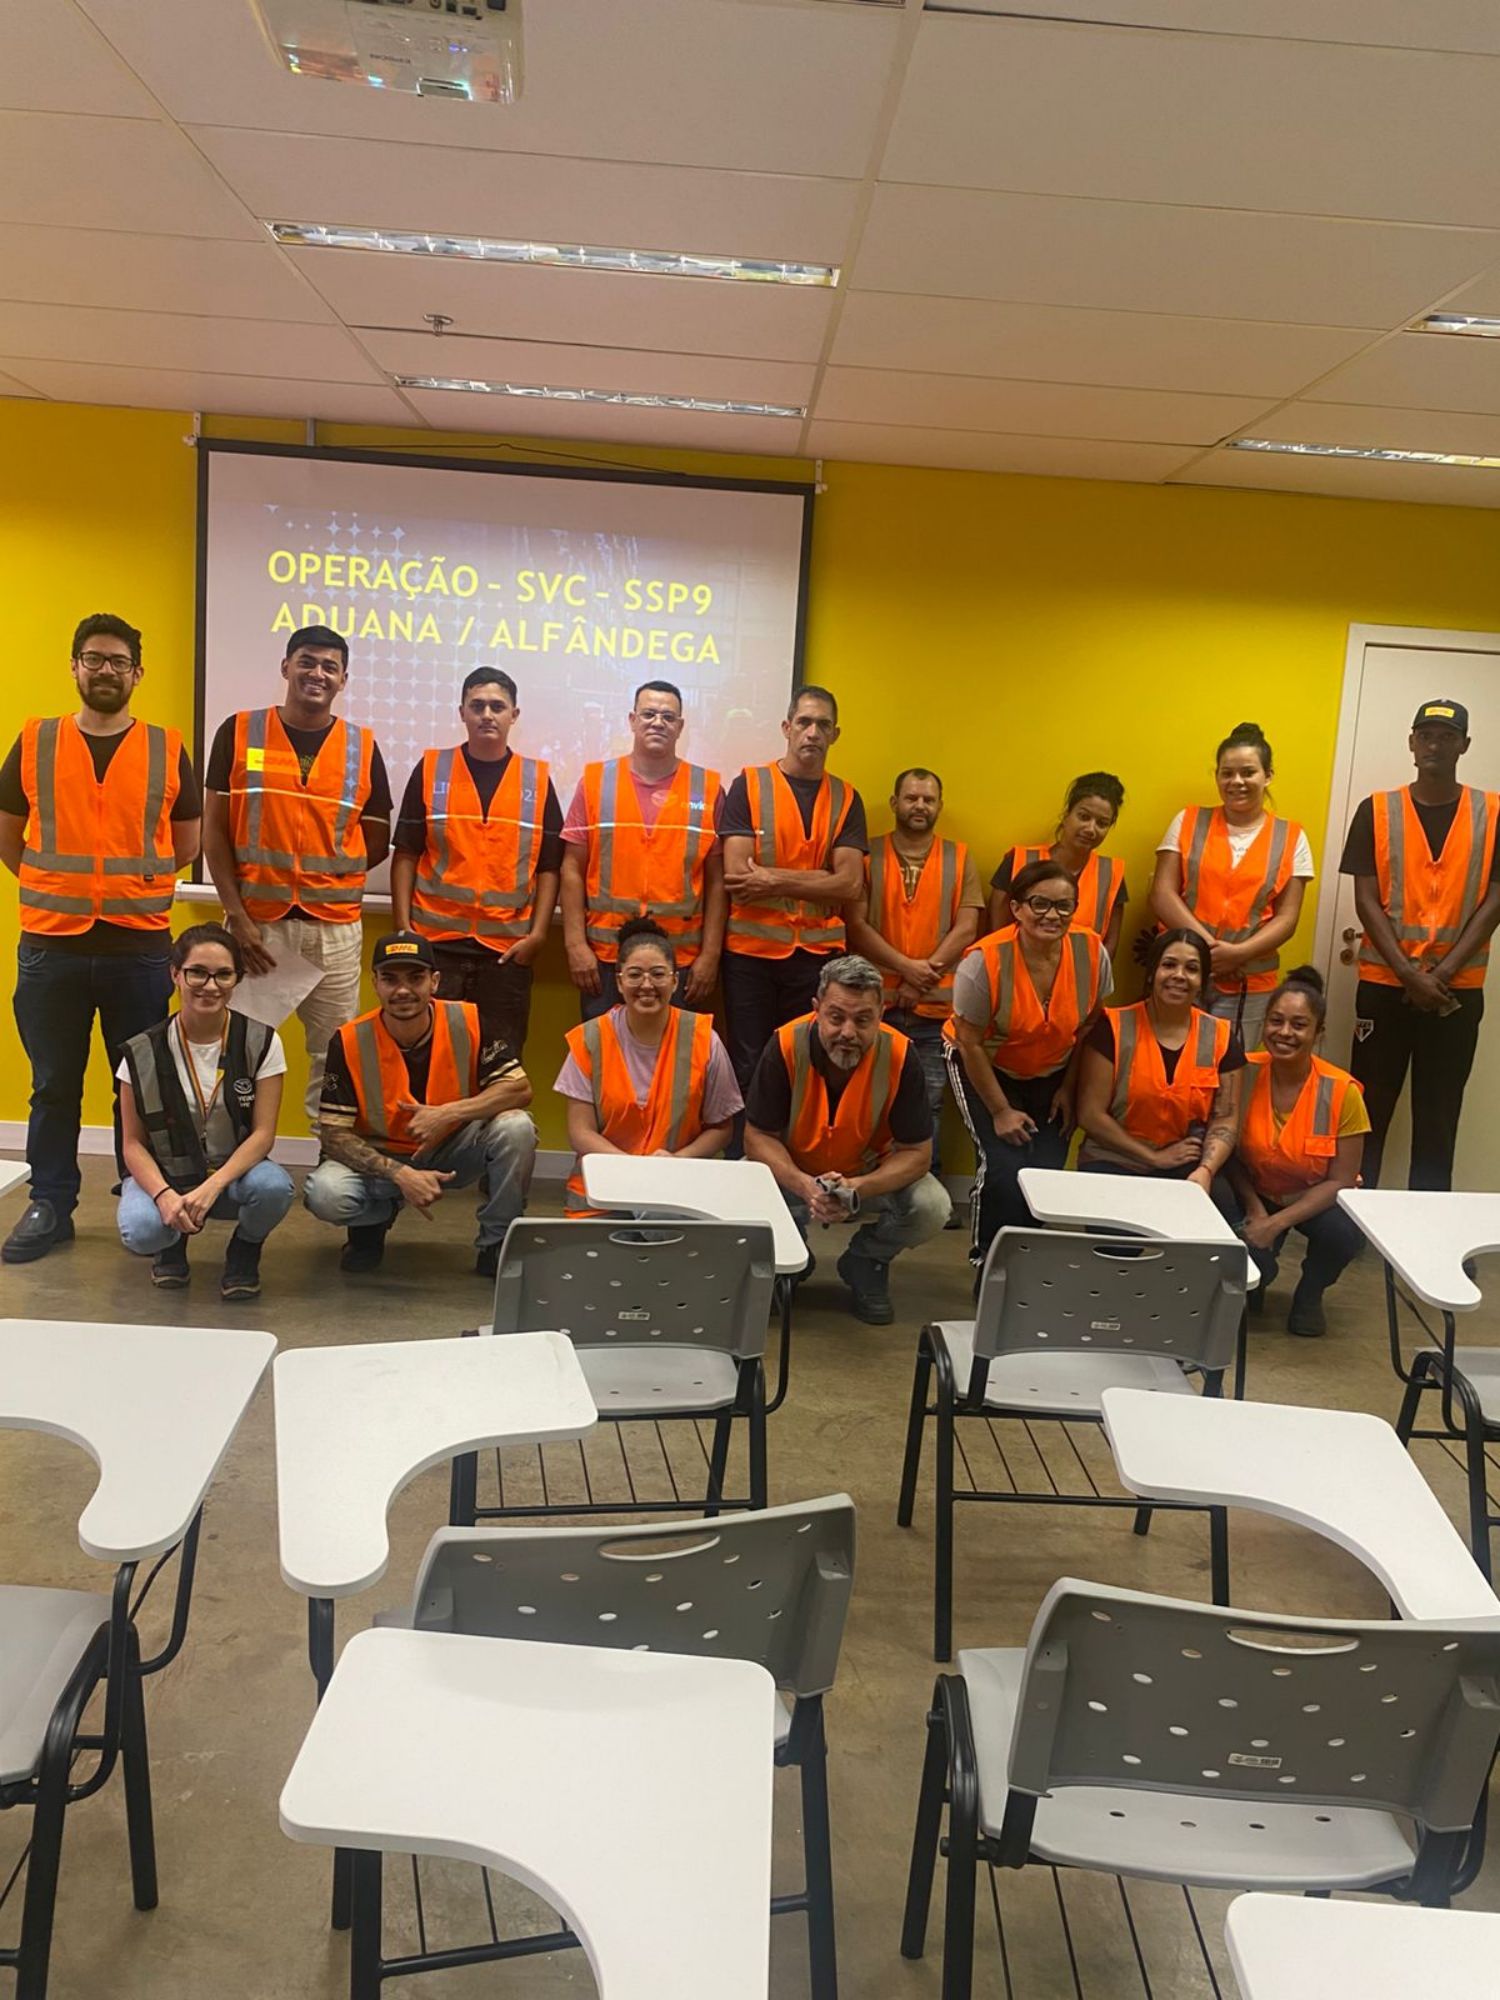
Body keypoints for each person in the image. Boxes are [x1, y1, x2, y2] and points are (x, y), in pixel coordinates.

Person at [0, 613, 202, 1264]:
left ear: (137, 673)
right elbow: (8, 834)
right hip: (51, 945)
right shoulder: (36, 740)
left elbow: (187, 844)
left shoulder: (167, 747)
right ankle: (50, 1203)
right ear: (75, 666)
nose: (105, 669)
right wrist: (59, 885)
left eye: (118, 661)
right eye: (94, 658)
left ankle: (138, 1197)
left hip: (136, 948)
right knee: (53, 1086)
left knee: (138, 1086)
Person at [202, 625, 391, 1128]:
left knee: (335, 1057)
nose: (317, 674)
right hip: (259, 927)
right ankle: (230, 1155)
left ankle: (332, 1157)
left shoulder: (361, 746)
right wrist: (237, 919)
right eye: (307, 661)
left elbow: (376, 838)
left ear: (343, 679)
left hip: (334, 930)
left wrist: (330, 873)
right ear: (286, 666)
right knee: (239, 1051)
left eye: (330, 667)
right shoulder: (239, 731)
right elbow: (214, 834)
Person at [303, 931, 537, 1278]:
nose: (403, 990)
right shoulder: (348, 1040)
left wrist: (447, 1114)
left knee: (517, 1127)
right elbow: (333, 1135)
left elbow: (519, 1089)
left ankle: (497, 1242)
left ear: (435, 981)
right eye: (390, 979)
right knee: (325, 1194)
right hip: (381, 1158)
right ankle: (373, 1223)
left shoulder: (470, 1021)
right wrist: (400, 1175)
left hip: (453, 1150)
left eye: (415, 978)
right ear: (375, 983)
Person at [1340, 698, 1500, 1191]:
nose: (1435, 745)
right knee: (1367, 1115)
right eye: (1426, 735)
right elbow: (1365, 900)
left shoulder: (1494, 812)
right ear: (1411, 742)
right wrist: (1410, 975)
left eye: (1447, 737)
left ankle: (1426, 1226)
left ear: (1464, 745)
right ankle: (1352, 1220)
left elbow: (1496, 900)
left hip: (1455, 995)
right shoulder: (1376, 809)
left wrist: (1440, 975)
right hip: (1384, 988)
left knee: (1438, 1120)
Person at [743, 953, 950, 1324]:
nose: (848, 1033)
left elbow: (918, 1153)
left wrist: (856, 1188)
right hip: (795, 1172)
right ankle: (790, 1257)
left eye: (863, 1019)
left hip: (869, 1177)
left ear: (881, 1015)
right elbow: (757, 1137)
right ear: (816, 1010)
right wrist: (805, 1186)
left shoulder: (901, 1055)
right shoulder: (785, 1045)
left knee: (932, 1207)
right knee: (741, 1188)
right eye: (836, 1017)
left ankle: (866, 1261)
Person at [945, 859, 1111, 1268]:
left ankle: (1023, 1261)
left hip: (1054, 1068)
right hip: (985, 1064)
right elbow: (969, 1042)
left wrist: (1069, 1088)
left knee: (1045, 1170)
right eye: (1040, 903)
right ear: (1016, 908)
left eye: (1064, 905)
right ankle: (989, 1265)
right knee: (1003, 1168)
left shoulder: (1093, 951)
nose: (1052, 915)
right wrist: (1000, 1111)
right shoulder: (983, 961)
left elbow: (1088, 1027)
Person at [115, 922, 294, 1301]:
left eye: (223, 974)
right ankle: (171, 1244)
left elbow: (263, 1134)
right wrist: (164, 1196)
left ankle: (245, 1248)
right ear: (175, 974)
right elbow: (132, 1144)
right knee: (142, 1231)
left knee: (274, 1188)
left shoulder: (262, 1041)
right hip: (166, 1172)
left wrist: (212, 1187)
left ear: (237, 979)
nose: (210, 986)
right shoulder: (141, 1050)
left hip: (230, 1173)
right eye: (197, 972)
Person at [390, 667, 562, 1056]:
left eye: (497, 707)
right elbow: (406, 852)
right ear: (462, 712)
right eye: (477, 705)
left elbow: (549, 866)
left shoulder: (536, 780)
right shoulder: (432, 768)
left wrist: (538, 935)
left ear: (514, 715)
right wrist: (403, 926)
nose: (487, 714)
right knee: (429, 1056)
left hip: (506, 952)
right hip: (436, 946)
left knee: (499, 1060)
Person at [718, 686, 868, 1090]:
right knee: (749, 1065)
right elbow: (737, 876)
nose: (812, 733)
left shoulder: (847, 798)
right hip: (751, 956)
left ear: (835, 734)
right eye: (804, 722)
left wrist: (771, 878)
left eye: (823, 725)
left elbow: (850, 884)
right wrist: (821, 878)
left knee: (805, 1064)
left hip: (818, 958)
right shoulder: (749, 785)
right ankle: (748, 1136)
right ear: (787, 727)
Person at [559, 679, 724, 1021]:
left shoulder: (708, 788)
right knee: (604, 1051)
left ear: (680, 726)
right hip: (606, 959)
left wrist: (710, 955)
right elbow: (572, 868)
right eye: (648, 714)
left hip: (679, 962)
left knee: (676, 1052)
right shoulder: (595, 782)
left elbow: (717, 881)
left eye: (668, 716)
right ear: (632, 720)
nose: (658, 723)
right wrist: (575, 945)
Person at [844, 767, 984, 1169]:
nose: (919, 806)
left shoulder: (959, 858)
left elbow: (967, 927)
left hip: (935, 1012)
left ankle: (925, 1186)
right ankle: (861, 1187)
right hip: (872, 1007)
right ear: (895, 803)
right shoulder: (866, 855)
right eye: (911, 798)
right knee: (864, 1102)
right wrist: (908, 969)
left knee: (927, 1105)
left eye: (928, 799)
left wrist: (921, 978)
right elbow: (855, 925)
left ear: (939, 805)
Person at [554, 917, 742, 1207]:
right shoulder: (589, 1040)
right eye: (634, 975)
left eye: (657, 974)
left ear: (675, 981)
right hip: (602, 1189)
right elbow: (580, 1132)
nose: (646, 985)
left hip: (677, 1188)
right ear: (619, 982)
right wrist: (632, 1169)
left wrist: (677, 1161)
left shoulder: (705, 1039)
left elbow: (721, 1129)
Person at [1224, 965, 1368, 1337]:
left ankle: (1310, 1293)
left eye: (1299, 1025)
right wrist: (1256, 1211)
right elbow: (1228, 1155)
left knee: (1345, 1231)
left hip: (1314, 1198)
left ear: (1318, 1033)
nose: (1285, 1032)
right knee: (1220, 1205)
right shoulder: (1243, 1073)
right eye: (1276, 1021)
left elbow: (1341, 1181)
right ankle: (1257, 1277)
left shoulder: (1343, 1091)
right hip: (1254, 1190)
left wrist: (1275, 1225)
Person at [1150, 722, 1314, 1048]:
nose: (1236, 781)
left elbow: (1287, 918)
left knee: (1231, 1068)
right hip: (1182, 972)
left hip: (1249, 983)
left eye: (1248, 772)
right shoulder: (1188, 820)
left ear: (1267, 775)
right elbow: (1161, 894)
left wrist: (1237, 955)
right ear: (1217, 776)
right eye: (1227, 773)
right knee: (1168, 1063)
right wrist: (1210, 953)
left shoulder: (1292, 837)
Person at [1077, 928, 1244, 1192]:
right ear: (1152, 972)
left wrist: (1206, 1170)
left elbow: (1225, 1120)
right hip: (1114, 1158)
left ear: (1203, 980)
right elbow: (1090, 1115)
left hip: (1185, 1162)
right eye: (1169, 965)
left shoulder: (1221, 1038)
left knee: (1222, 1211)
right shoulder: (1112, 1027)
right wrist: (1153, 1158)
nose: (1179, 975)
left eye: (1192, 968)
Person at [988, 771, 1129, 957]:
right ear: (1066, 815)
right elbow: (995, 935)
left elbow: (1109, 945)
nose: (1090, 829)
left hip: (1081, 974)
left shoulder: (1110, 874)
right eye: (1084, 817)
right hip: (1016, 971)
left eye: (1102, 823)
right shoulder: (1018, 861)